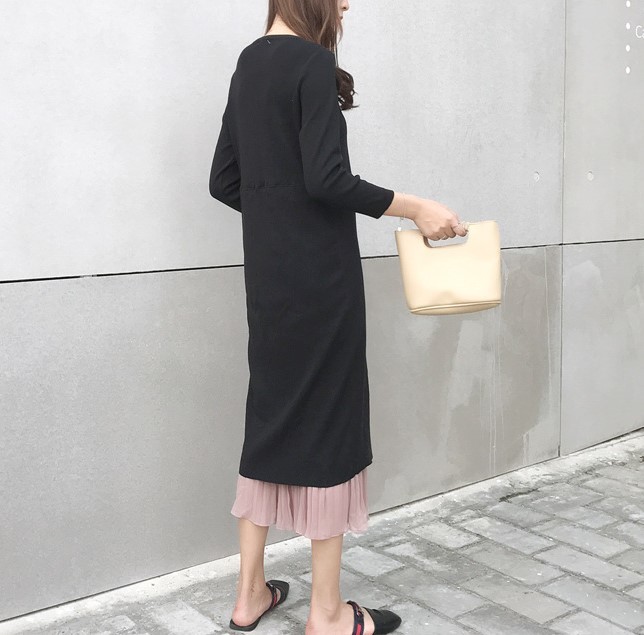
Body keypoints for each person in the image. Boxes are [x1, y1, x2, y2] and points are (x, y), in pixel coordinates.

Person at [209, 1, 468, 633]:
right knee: (330, 425)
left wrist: (278, 219)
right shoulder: (309, 63)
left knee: (270, 417)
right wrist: (416, 206)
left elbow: (224, 180)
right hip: (322, 281)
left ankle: (249, 594)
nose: (348, 2)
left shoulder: (249, 63)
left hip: (269, 278)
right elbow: (327, 179)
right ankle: (326, 614)